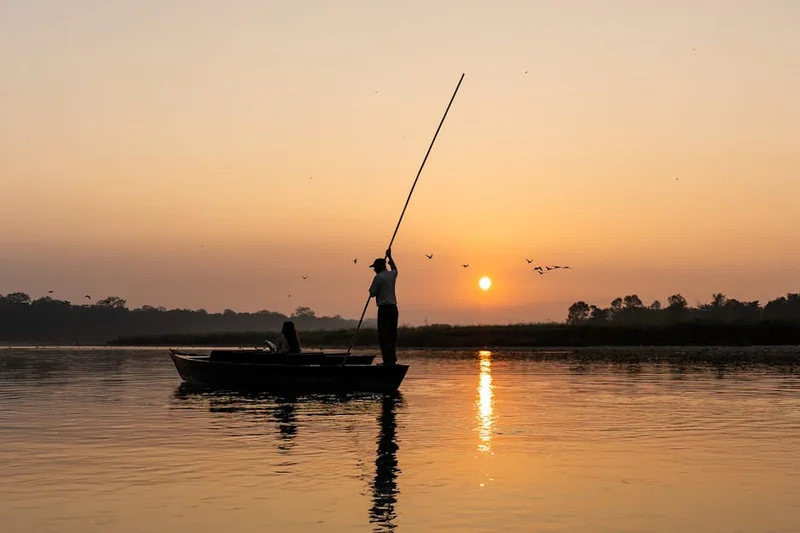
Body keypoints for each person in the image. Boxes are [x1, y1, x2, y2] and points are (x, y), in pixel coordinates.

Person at [369, 248, 399, 365]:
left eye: (375, 268)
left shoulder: (378, 278)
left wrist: (372, 290)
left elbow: (372, 293)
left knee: (384, 335)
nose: (374, 270)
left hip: (384, 309)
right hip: (394, 309)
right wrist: (390, 257)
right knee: (392, 334)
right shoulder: (392, 275)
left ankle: (387, 361)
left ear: (379, 267)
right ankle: (392, 359)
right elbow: (395, 269)